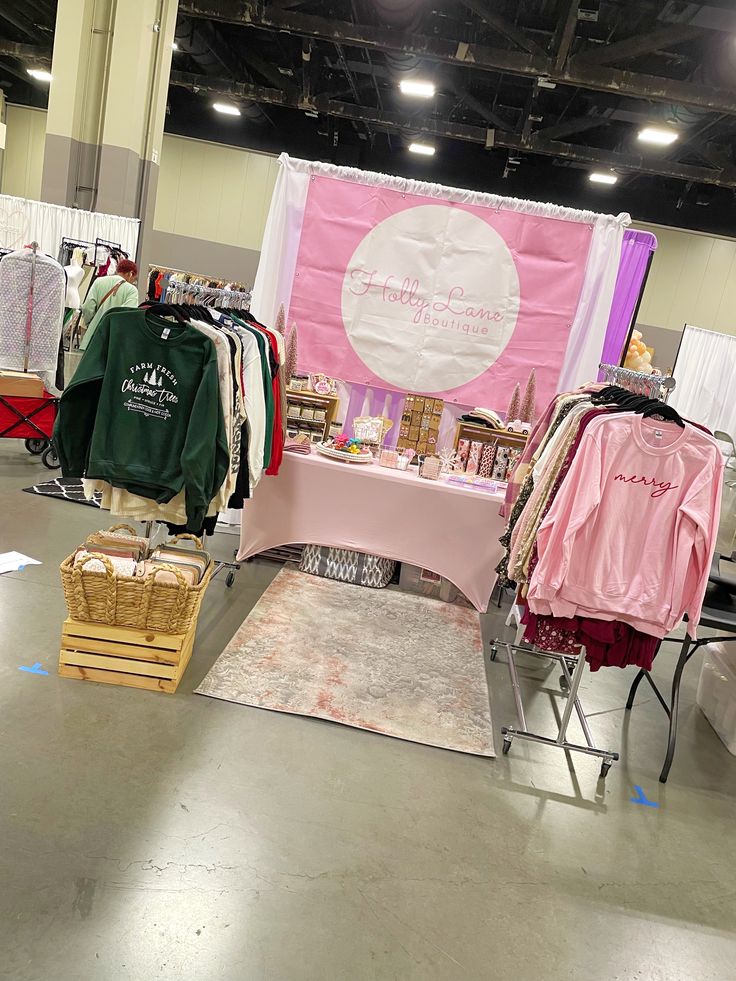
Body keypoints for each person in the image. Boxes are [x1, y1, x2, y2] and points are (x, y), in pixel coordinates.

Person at [79, 258, 139, 351]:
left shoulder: (98, 281)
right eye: (134, 279)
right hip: (115, 341)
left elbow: (87, 307)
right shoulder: (131, 290)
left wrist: (90, 323)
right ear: (130, 273)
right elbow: (128, 315)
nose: (133, 282)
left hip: (93, 336)